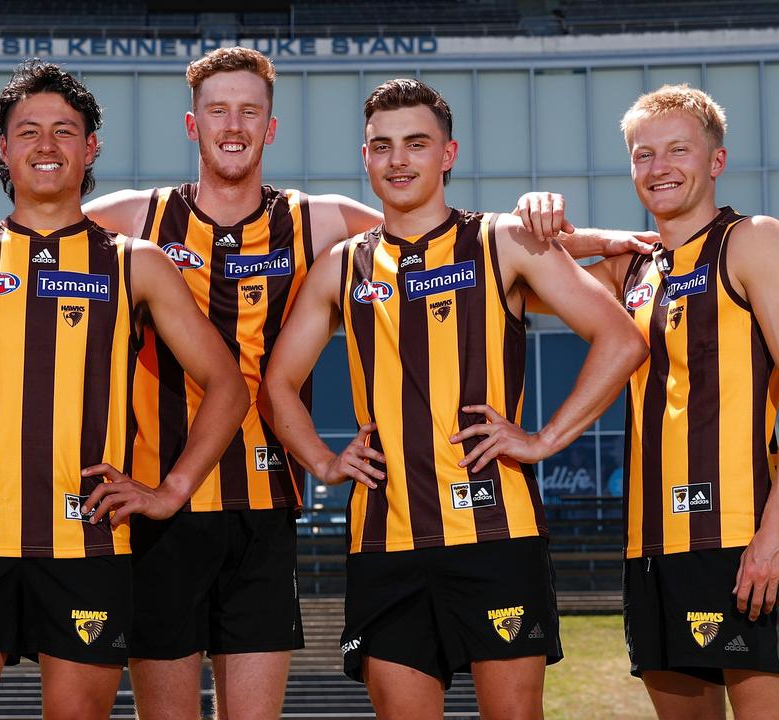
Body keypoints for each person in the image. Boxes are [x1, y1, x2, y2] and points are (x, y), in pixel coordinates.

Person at [81, 47, 651, 720]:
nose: (232, 125)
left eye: (249, 111)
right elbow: (27, 240)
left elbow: (437, 232)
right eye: (217, 110)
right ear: (191, 123)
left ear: (271, 127)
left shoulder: (319, 224)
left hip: (271, 509)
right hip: (165, 505)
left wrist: (597, 238)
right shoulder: (132, 219)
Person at [0, 60, 248, 720]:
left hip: (88, 545)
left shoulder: (133, 261)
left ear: (90, 148)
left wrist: (170, 491)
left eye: (65, 130)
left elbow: (227, 387)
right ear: (4, 148)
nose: (47, 145)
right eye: (28, 131)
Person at [261, 78, 647, 720]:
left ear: (448, 154)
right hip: (384, 542)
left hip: (497, 535)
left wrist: (543, 439)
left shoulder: (504, 241)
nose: (398, 160)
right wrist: (326, 463)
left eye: (416, 143)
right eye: (381, 146)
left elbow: (621, 340)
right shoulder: (342, 265)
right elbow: (277, 384)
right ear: (365, 158)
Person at [518, 84, 779, 720]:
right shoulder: (630, 270)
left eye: (677, 151)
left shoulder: (755, 242)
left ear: (716, 161)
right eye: (643, 155)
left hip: (736, 536)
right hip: (648, 545)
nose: (659, 167)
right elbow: (512, 277)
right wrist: (563, 223)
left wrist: (778, 530)